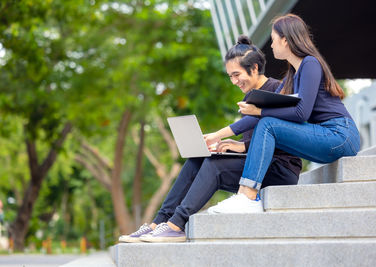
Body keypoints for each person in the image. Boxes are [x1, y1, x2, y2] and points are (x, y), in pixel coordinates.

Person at [118, 35, 302, 243]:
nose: (234, 81)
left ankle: (177, 225)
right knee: (197, 158)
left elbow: (282, 137)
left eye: (236, 74)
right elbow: (254, 142)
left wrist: (236, 143)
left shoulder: (279, 89)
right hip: (256, 165)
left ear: (255, 68)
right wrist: (229, 146)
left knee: (215, 166)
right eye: (230, 76)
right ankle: (158, 222)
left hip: (280, 169)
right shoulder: (248, 98)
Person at [205, 14, 360, 210]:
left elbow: (301, 113)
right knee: (266, 121)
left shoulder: (310, 63)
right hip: (325, 136)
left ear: (285, 40)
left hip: (340, 135)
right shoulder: (291, 76)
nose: (271, 45)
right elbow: (257, 116)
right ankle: (248, 195)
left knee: (267, 122)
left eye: (273, 39)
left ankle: (248, 195)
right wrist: (216, 136)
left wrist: (260, 111)